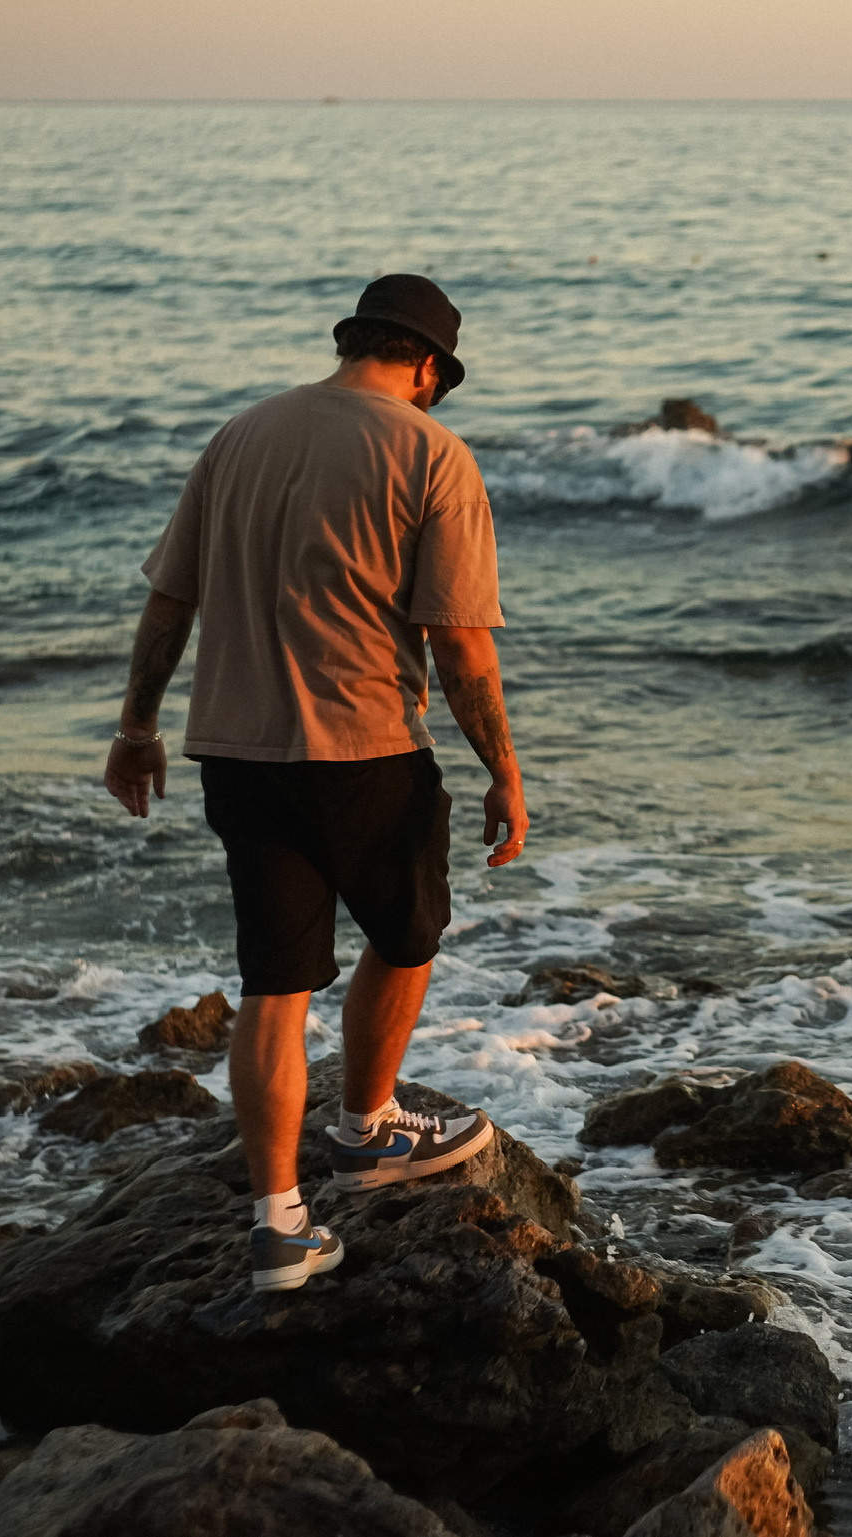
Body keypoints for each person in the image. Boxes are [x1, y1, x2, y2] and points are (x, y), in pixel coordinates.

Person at [103, 275, 530, 1293]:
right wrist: (503, 769)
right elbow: (462, 649)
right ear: (427, 366)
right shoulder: (431, 452)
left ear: (354, 340)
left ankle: (278, 1225)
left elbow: (169, 604)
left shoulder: (241, 435)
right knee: (407, 935)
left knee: (274, 987)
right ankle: (367, 1125)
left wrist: (136, 727)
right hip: (366, 749)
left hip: (237, 757)